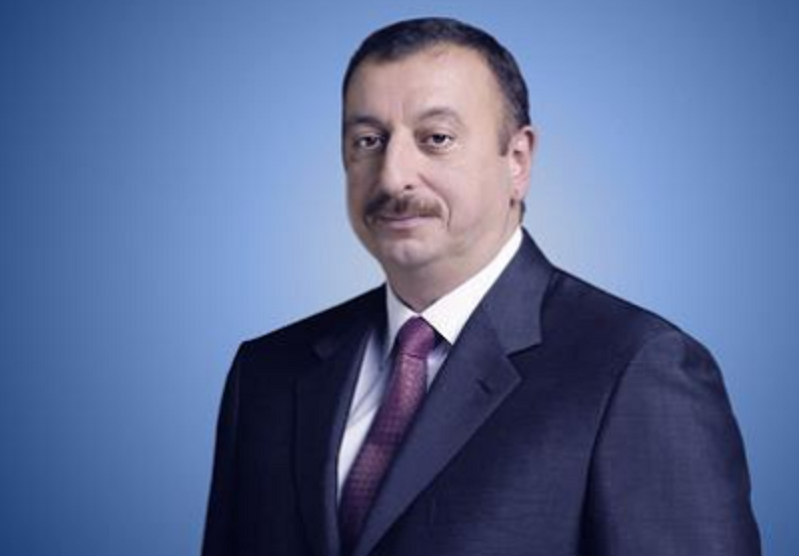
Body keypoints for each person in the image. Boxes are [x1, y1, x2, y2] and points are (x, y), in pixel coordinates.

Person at [201, 17, 761, 556]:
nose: (393, 175)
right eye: (368, 140)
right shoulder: (267, 373)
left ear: (517, 160)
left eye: (436, 138)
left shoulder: (633, 368)